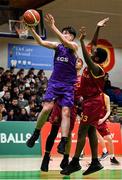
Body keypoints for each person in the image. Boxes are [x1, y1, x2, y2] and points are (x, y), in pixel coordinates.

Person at [61, 17, 109, 176]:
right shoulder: (95, 61)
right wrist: (98, 27)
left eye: (93, 52)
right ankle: (95, 162)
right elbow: (94, 44)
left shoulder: (97, 69)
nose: (92, 50)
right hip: (90, 102)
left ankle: (75, 162)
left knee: (82, 132)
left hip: (93, 103)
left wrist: (81, 41)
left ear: (96, 58)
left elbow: (87, 59)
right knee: (90, 132)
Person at [26, 13, 78, 154]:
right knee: (46, 108)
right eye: (63, 33)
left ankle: (64, 141)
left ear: (72, 37)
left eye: (67, 33)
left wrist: (53, 26)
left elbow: (66, 43)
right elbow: (41, 42)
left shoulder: (73, 46)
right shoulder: (57, 46)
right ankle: (36, 133)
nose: (64, 35)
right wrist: (31, 29)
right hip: (55, 82)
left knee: (66, 112)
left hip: (68, 85)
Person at [41, 58, 83, 172]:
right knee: (53, 131)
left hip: (72, 107)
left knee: (68, 134)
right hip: (59, 105)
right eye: (75, 61)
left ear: (81, 65)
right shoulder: (64, 74)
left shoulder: (82, 79)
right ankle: (46, 157)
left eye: (79, 61)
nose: (76, 62)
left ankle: (65, 159)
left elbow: (82, 95)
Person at [96, 93, 120, 165]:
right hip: (93, 120)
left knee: (109, 138)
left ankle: (112, 157)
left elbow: (108, 111)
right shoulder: (92, 95)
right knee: (95, 136)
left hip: (102, 120)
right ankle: (104, 152)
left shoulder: (106, 97)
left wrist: (103, 119)